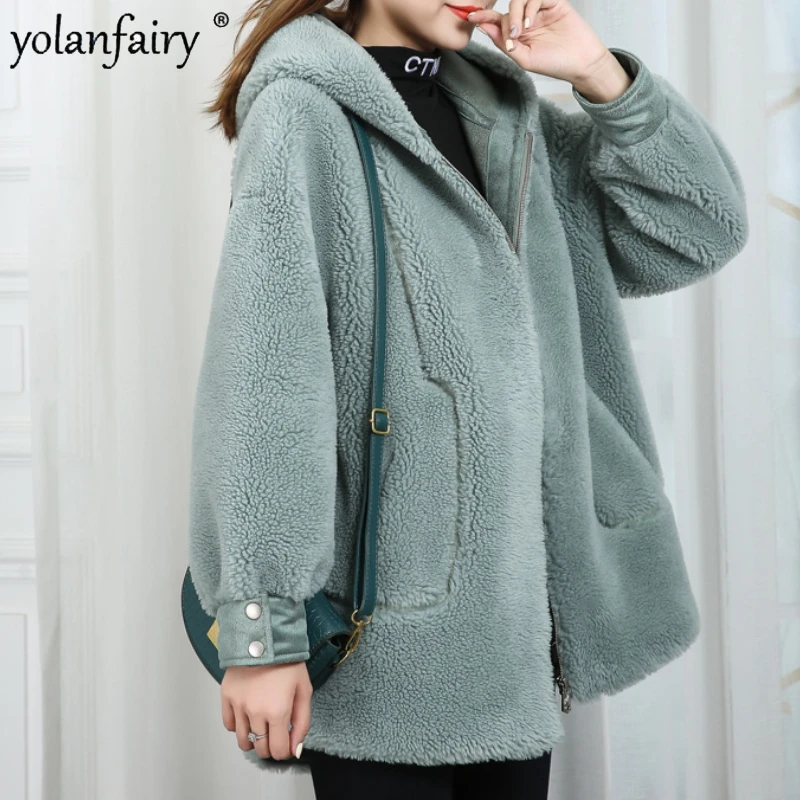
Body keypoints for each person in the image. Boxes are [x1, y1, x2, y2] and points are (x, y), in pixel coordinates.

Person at [187, 1, 749, 797]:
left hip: (517, 641)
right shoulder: (302, 112)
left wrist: (598, 74)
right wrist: (263, 633)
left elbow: (697, 227)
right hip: (389, 640)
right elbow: (264, 380)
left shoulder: (506, 116)